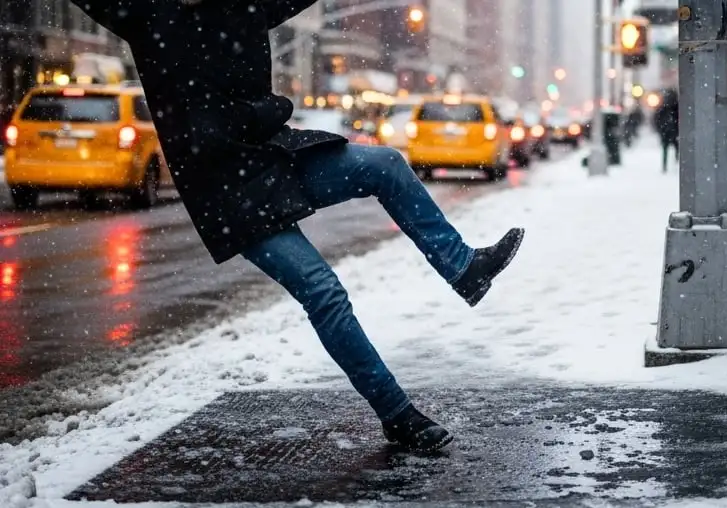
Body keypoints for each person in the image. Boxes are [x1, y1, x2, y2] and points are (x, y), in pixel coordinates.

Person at [71, 0, 525, 452]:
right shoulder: (148, 15)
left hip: (275, 156)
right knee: (322, 291)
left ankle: (463, 268)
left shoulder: (244, 7)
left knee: (384, 164)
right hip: (225, 190)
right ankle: (398, 415)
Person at [654, 89, 680, 172]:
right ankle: (674, 161)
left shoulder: (663, 107)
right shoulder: (676, 107)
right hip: (672, 130)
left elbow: (657, 119)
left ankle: (666, 165)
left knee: (666, 148)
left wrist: (660, 129)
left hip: (667, 130)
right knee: (675, 147)